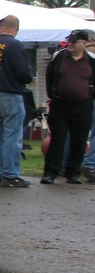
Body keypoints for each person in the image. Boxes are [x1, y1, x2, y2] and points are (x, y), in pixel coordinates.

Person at [0, 15, 34, 188]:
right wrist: (28, 77)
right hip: (11, 93)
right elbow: (22, 71)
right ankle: (10, 174)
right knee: (12, 135)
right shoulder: (15, 45)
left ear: (1, 26)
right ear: (16, 28)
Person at [41, 29, 95, 184]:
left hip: (83, 105)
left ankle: (73, 172)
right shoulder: (59, 57)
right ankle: (50, 172)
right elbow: (49, 77)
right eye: (69, 41)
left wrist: (89, 97)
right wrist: (53, 95)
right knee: (58, 138)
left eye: (74, 42)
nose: (70, 44)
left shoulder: (91, 60)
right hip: (60, 104)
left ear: (83, 44)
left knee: (79, 140)